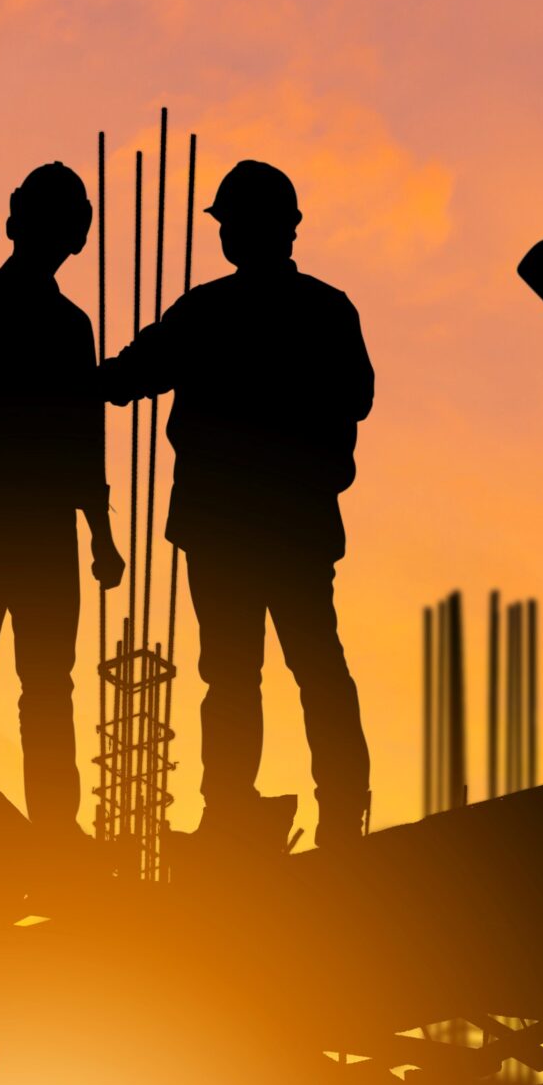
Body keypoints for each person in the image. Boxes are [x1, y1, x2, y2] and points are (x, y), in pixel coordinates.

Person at [97, 159, 374, 850]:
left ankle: (229, 807)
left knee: (233, 673)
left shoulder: (207, 312)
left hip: (224, 524)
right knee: (313, 662)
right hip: (292, 522)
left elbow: (126, 378)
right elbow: (358, 396)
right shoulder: (325, 309)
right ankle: (340, 808)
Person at [0, 163, 124, 830]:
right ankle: (43, 827)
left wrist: (98, 534)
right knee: (29, 683)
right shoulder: (61, 324)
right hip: (27, 529)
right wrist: (99, 535)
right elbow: (78, 439)